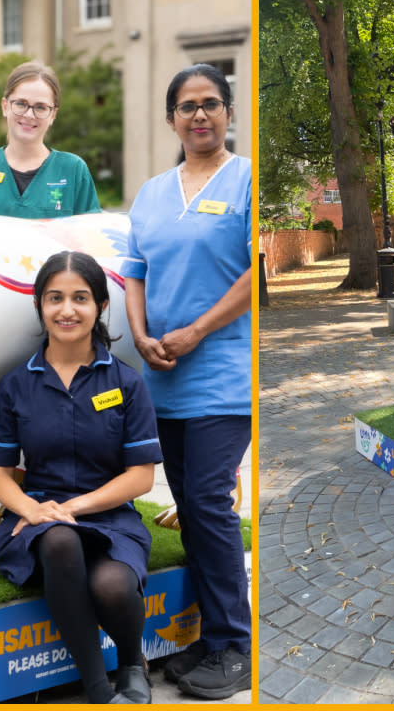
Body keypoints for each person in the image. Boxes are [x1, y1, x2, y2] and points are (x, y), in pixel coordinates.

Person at [121, 64, 252, 699]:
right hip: (162, 378)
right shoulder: (150, 193)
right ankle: (209, 635)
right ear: (171, 119)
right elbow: (134, 272)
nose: (199, 115)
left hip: (224, 374)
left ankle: (234, 644)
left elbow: (254, 276)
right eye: (186, 107)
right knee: (194, 513)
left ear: (228, 113)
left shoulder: (248, 178)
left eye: (210, 105)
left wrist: (196, 331)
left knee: (206, 503)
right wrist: (141, 334)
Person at [0, 251, 161, 704]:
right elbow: (0, 477)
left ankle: (131, 663)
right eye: (54, 298)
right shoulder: (15, 385)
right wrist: (32, 510)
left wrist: (75, 507)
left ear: (101, 305)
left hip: (108, 516)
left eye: (80, 298)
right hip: (37, 518)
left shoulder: (126, 382)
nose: (67, 310)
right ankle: (98, 690)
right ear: (40, 306)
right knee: (60, 539)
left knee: (112, 585)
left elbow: (141, 477)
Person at [0, 60, 100, 218]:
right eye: (21, 104)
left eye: (40, 107)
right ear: (5, 106)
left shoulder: (73, 170)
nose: (29, 115)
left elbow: (90, 233)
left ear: (53, 114)